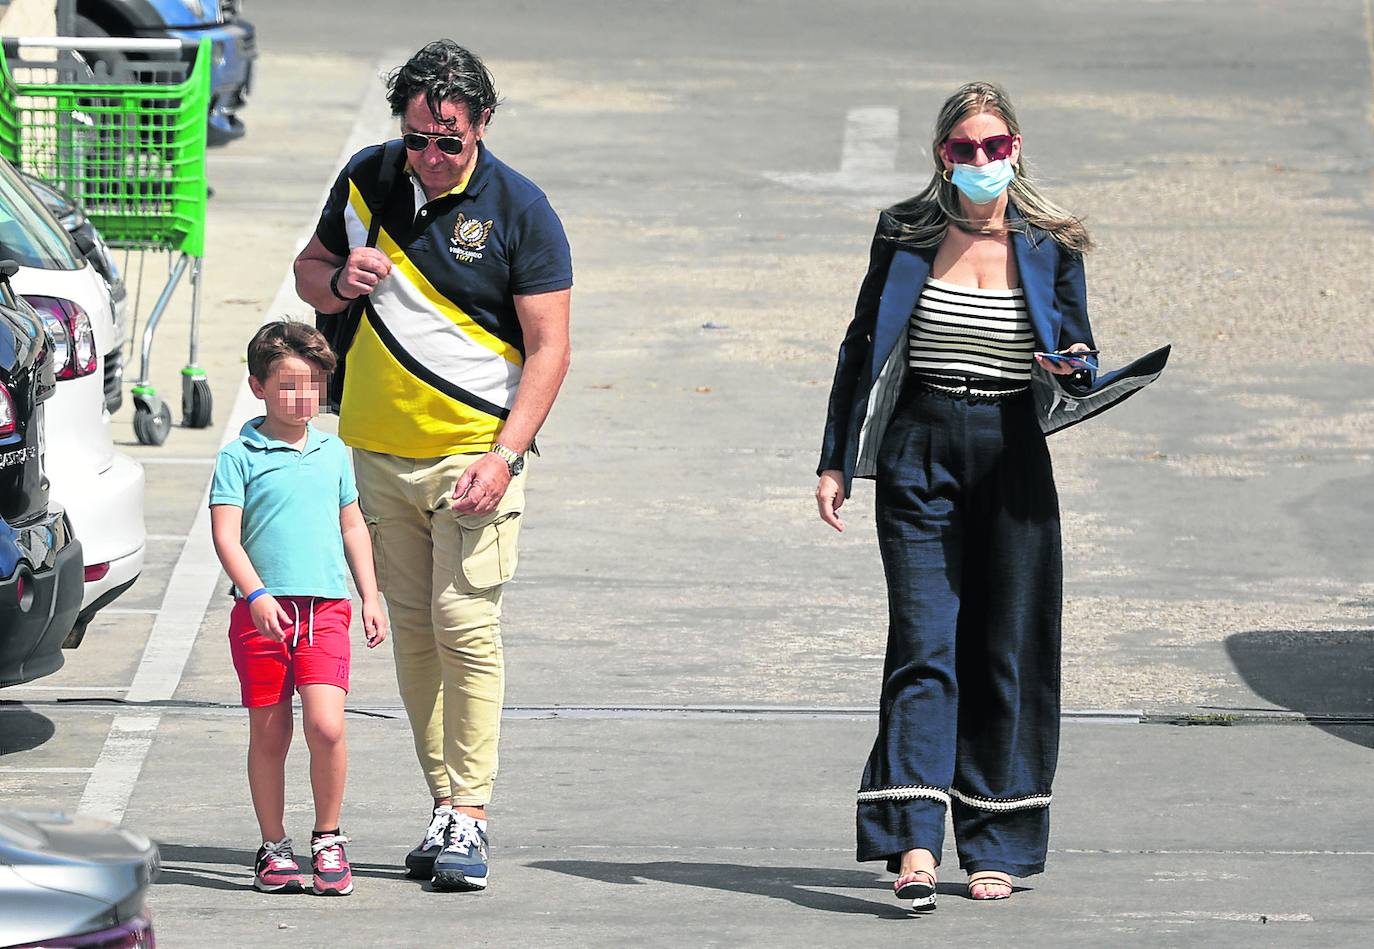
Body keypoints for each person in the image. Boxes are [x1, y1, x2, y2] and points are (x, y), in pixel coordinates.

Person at [293, 39, 572, 893]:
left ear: (482, 125)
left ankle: (472, 813)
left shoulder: (521, 209)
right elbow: (307, 276)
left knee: (467, 626)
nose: (430, 156)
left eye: (448, 139)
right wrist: (343, 279)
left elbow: (550, 348)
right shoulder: (367, 179)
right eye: (418, 138)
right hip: (377, 451)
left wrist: (505, 455)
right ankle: (446, 803)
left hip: (473, 456)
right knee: (414, 633)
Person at [815, 81, 1098, 910]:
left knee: (1006, 648)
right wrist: (836, 459)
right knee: (923, 643)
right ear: (943, 154)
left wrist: (1072, 368)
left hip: (1012, 455)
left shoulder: (1052, 242)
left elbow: (1080, 346)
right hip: (919, 449)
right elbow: (860, 346)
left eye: (995, 146)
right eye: (964, 148)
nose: (981, 161)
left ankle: (996, 841)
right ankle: (913, 842)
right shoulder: (905, 233)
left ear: (1016, 149)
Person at [209, 320, 388, 896]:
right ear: (258, 386)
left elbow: (352, 523)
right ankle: (273, 845)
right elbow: (227, 537)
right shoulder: (239, 456)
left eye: (311, 385)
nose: (301, 398)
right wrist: (255, 594)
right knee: (269, 732)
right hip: (262, 617)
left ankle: (328, 837)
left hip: (326, 612)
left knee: (327, 727)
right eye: (288, 386)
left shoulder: (334, 452)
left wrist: (370, 595)